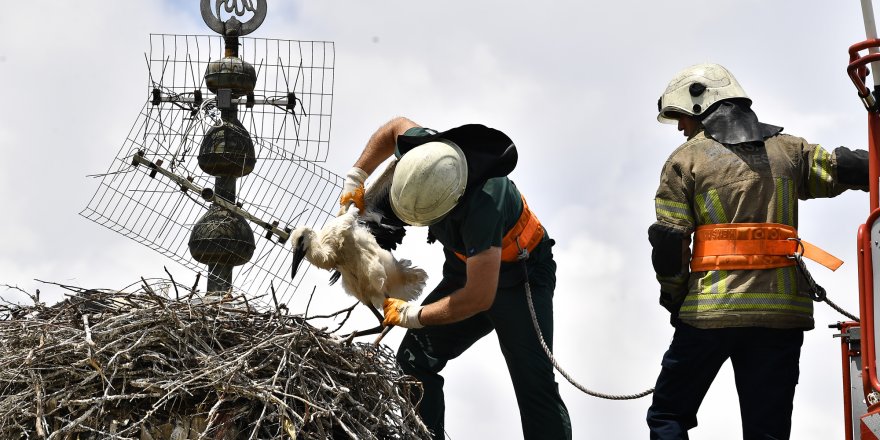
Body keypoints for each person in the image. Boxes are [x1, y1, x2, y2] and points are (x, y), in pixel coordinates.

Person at [645, 62, 869, 439]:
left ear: (701, 105)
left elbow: (670, 244)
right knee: (768, 431)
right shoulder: (790, 151)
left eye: (682, 117)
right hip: (780, 316)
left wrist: (674, 298)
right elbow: (845, 168)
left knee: (669, 414)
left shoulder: (686, 161)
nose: (681, 128)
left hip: (708, 313)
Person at [340, 117, 572, 440]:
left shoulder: (485, 203)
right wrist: (356, 178)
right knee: (413, 360)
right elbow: (394, 128)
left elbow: (479, 297)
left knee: (535, 389)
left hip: (521, 280)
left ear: (446, 206)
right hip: (465, 270)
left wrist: (414, 315)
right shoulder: (427, 156)